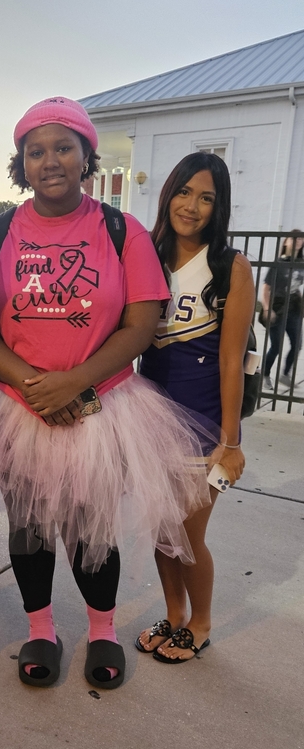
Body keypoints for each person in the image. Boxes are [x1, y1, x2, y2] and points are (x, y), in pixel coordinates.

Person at [0, 97, 211, 691]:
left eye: (63, 147)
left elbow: (142, 320)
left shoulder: (119, 230)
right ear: (20, 163)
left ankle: (102, 630)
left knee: (90, 527)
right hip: (16, 405)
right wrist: (29, 383)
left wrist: (76, 381)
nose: (50, 161)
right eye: (35, 150)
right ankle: (40, 631)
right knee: (27, 526)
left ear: (86, 157)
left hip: (100, 405)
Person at [137, 152, 255, 662]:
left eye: (206, 197)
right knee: (162, 530)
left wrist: (229, 442)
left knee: (189, 532)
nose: (192, 206)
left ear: (219, 206)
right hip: (148, 415)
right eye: (185, 192)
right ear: (169, 193)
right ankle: (174, 615)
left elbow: (232, 362)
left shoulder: (232, 267)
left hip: (203, 421)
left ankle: (200, 623)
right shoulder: (145, 252)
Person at [261, 230, 304, 390]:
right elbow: (266, 288)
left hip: (294, 310)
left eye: (300, 238)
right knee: (276, 346)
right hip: (277, 308)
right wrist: (267, 309)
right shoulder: (278, 264)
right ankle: (265, 375)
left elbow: (297, 287)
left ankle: (285, 374)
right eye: (294, 238)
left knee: (297, 344)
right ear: (286, 242)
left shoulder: (301, 264)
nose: (298, 241)